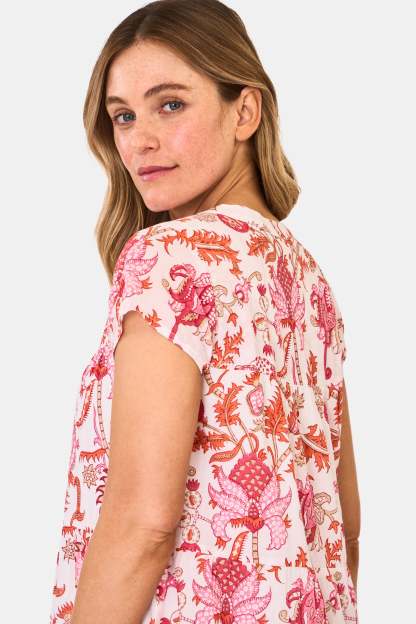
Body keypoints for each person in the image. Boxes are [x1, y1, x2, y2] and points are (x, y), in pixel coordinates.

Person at [49, 1, 360, 623]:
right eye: (123, 116)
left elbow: (143, 523)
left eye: (170, 104)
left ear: (245, 111)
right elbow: (344, 524)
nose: (141, 139)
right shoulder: (307, 280)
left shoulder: (172, 257)